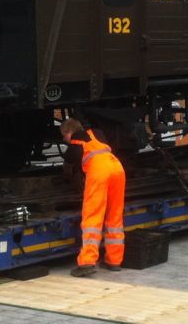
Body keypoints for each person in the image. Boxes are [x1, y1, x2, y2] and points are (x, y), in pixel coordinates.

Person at [60, 118, 126, 277]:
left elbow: (68, 172)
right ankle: (114, 261)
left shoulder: (75, 145)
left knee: (92, 218)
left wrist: (69, 180)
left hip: (99, 173)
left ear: (69, 133)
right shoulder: (97, 133)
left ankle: (87, 262)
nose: (64, 140)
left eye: (64, 136)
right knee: (115, 216)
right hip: (117, 168)